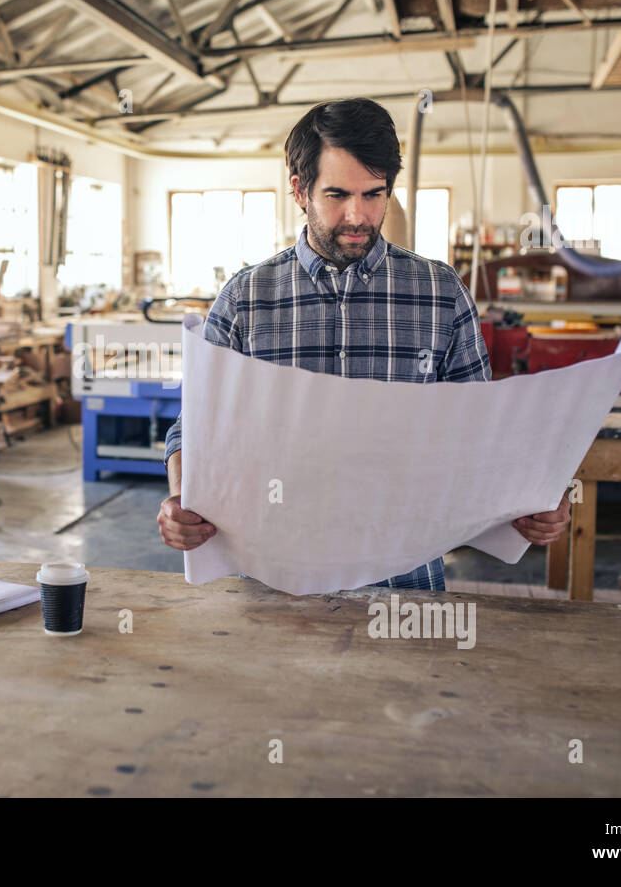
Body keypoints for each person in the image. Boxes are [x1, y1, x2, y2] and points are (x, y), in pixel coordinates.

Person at [156, 98, 570, 589]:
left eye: (374, 195)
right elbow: (195, 425)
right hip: (273, 581)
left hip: (405, 582)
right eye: (337, 195)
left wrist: (527, 501)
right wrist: (180, 497)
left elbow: (479, 430)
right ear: (299, 189)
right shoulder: (246, 298)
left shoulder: (440, 293)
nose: (358, 216)